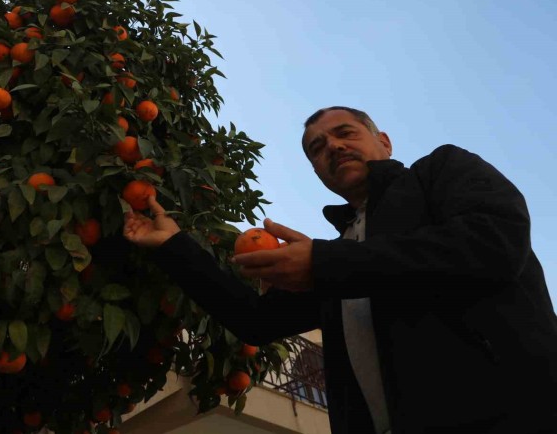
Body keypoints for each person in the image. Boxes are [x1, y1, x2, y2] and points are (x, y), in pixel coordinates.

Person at [123, 107, 557, 434]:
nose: (331, 146)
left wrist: (324, 261)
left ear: (383, 142)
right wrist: (174, 245)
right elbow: (254, 320)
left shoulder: (440, 171)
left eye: (344, 133)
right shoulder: (342, 254)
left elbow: (494, 244)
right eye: (317, 148)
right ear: (316, 171)